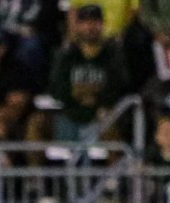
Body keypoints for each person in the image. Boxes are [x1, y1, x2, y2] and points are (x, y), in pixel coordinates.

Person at [47, 3, 128, 141]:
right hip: (71, 112)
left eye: (95, 22)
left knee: (112, 127)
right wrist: (79, 96)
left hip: (103, 114)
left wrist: (96, 98)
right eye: (85, 22)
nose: (90, 27)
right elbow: (55, 87)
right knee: (37, 123)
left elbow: (121, 84)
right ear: (77, 26)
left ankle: (114, 162)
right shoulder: (65, 54)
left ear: (102, 25)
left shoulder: (114, 53)